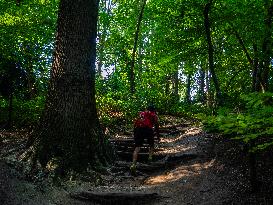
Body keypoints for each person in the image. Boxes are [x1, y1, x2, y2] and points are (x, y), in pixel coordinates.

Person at [130, 105, 160, 174]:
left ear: (147, 109)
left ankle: (133, 164)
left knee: (137, 148)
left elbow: (135, 123)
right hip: (148, 129)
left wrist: (134, 133)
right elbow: (156, 126)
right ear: (154, 110)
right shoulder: (154, 115)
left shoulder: (142, 113)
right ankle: (150, 158)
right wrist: (158, 137)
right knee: (151, 145)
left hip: (138, 129)